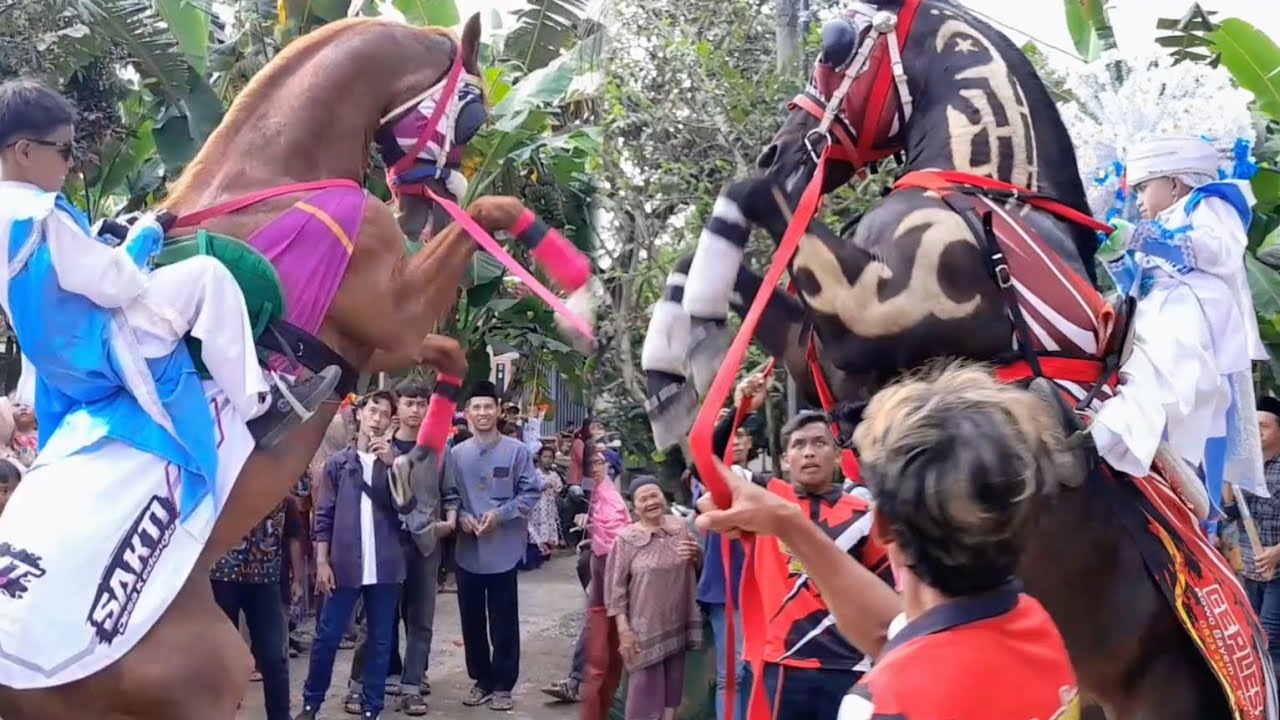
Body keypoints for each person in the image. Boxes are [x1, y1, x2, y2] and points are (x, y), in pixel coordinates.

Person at [0, 78, 339, 522]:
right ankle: (261, 406)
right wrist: (146, 233)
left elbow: (56, 276)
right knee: (207, 277)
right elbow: (113, 283)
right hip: (101, 342)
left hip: (54, 365)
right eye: (64, 151)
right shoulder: (43, 212)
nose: (71, 164)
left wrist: (101, 235)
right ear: (25, 152)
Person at [698, 364, 1081, 719]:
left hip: (844, 663)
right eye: (799, 445)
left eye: (819, 443)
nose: (809, 452)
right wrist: (790, 525)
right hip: (787, 662)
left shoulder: (879, 703)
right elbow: (896, 630)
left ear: (882, 524)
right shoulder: (1040, 628)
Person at [1092, 135, 1267, 507]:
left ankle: (1113, 434)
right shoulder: (1162, 222)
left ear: (1174, 183)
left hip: (1192, 312)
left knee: (1168, 370)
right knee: (1133, 368)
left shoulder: (1209, 202)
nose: (1138, 200)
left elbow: (1218, 251)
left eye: (1143, 187)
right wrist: (1117, 258)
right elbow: (1138, 288)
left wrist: (1142, 237)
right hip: (1156, 314)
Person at [343, 379, 459, 716]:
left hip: (425, 543)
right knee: (376, 618)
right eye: (409, 403)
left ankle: (412, 687)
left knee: (421, 619)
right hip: (386, 541)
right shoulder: (379, 446)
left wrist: (449, 521)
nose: (416, 410)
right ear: (399, 408)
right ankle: (358, 685)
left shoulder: (439, 450)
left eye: (422, 404)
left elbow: (450, 492)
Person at [296, 391, 406, 720]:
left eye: (384, 414)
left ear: (391, 422)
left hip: (385, 566)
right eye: (372, 411)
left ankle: (372, 707)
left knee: (380, 640)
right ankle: (311, 703)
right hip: (344, 565)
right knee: (327, 636)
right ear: (359, 414)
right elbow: (324, 515)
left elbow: (408, 506)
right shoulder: (337, 464)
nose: (377, 419)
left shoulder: (398, 462)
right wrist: (321, 562)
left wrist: (393, 465)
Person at [449, 380, 541, 711]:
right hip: (468, 550)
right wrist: (460, 516)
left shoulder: (517, 452)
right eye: (477, 407)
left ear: (499, 410)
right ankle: (482, 680)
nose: (483, 412)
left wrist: (500, 515)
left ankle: (503, 685)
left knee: (504, 620)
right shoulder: (456, 454)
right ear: (467, 412)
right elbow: (449, 496)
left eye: (489, 406)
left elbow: (531, 492)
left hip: (504, 550)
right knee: (471, 620)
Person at [606, 475, 703, 720]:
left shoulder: (680, 527)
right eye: (643, 499)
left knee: (674, 682)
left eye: (654, 495)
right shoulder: (625, 540)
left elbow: (699, 569)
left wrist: (697, 554)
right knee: (642, 689)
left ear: (663, 497)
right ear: (634, 507)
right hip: (644, 628)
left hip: (678, 620)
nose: (650, 502)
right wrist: (623, 630)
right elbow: (615, 589)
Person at [209, 499, 307, 720]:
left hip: (265, 579)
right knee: (221, 659)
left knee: (274, 658)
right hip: (222, 576)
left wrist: (297, 579)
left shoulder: (278, 488)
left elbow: (294, 531)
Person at [1223, 395, 1280, 675]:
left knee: (1269, 641)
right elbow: (1231, 511)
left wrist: (1276, 553)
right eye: (1252, 425)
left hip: (1277, 572)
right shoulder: (1245, 467)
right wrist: (1226, 475)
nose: (1256, 432)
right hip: (1250, 570)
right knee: (1252, 639)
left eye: (1263, 426)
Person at [525, 445, 564, 570]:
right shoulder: (534, 474)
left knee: (548, 530)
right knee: (535, 532)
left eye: (550, 457)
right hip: (536, 508)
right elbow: (529, 487)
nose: (547, 460)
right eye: (545, 457)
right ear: (539, 458)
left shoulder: (554, 475)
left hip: (549, 507)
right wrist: (542, 486)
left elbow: (558, 489)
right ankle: (536, 555)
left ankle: (545, 552)